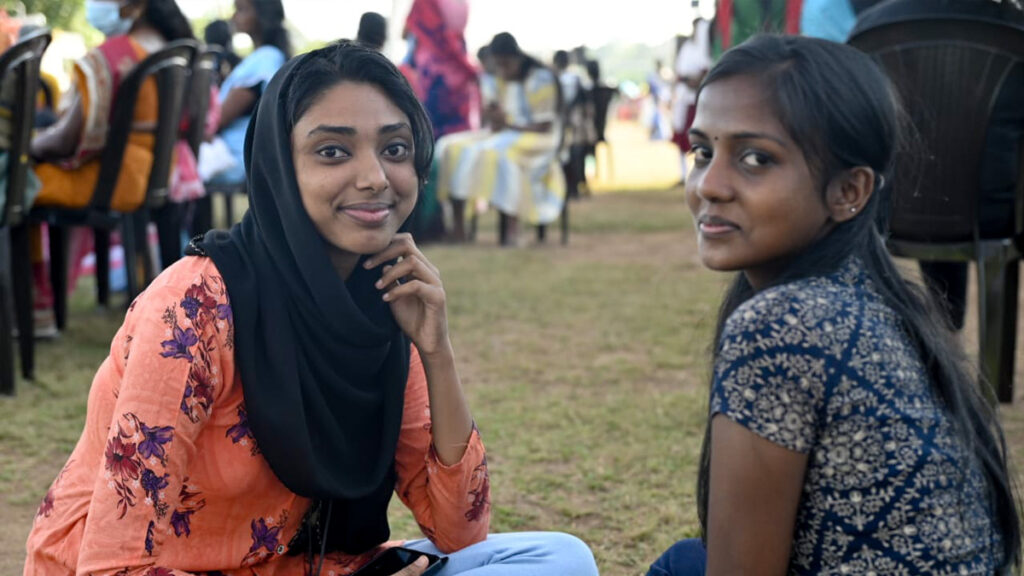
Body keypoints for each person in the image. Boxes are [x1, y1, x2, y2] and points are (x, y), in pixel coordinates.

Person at [24, 40, 599, 576]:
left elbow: (460, 533)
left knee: (559, 558)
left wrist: (436, 350)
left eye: (395, 149)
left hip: (303, 565)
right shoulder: (196, 308)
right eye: (333, 151)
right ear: (279, 167)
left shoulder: (377, 304)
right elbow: (111, 564)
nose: (375, 178)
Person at [648, 35, 1020, 575]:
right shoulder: (876, 297)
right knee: (685, 560)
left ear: (850, 191)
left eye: (755, 159)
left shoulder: (780, 324)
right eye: (703, 151)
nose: (710, 184)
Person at [850, 0, 1024, 331]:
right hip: (994, 217)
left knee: (933, 163)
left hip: (893, 205)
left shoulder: (872, 28)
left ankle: (943, 327)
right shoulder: (1014, 28)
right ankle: (951, 330)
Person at [27, 0, 194, 336]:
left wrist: (28, 145)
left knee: (19, 182)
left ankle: (37, 310)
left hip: (112, 181)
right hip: (155, 174)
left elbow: (67, 141)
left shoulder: (113, 55)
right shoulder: (175, 53)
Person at [436, 32, 564, 246]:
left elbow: (544, 125)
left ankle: (512, 230)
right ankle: (458, 228)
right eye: (498, 65)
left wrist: (509, 124)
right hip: (501, 134)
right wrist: (494, 116)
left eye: (506, 64)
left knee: (501, 155)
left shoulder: (539, 78)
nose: (502, 70)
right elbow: (493, 120)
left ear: (517, 59)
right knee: (450, 147)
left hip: (538, 140)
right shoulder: (493, 78)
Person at [201, 0, 290, 187]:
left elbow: (219, 119)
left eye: (241, 10)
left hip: (232, 155)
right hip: (240, 152)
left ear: (261, 14)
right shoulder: (268, 56)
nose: (234, 16)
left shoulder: (265, 57)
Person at [670, 18, 711, 181]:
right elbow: (681, 75)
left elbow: (704, 73)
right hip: (685, 99)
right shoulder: (687, 48)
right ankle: (683, 174)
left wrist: (696, 80)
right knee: (683, 137)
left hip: (701, 100)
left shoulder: (707, 48)